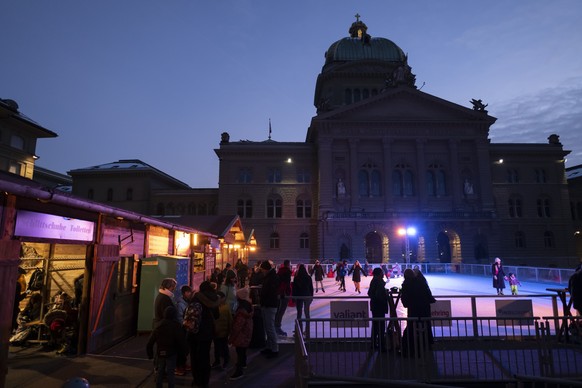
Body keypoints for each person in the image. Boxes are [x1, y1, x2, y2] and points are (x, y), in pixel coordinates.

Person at [187, 281, 220, 388]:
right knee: (205, 356)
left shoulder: (196, 297)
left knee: (195, 356)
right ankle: (205, 380)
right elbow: (217, 315)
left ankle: (197, 379)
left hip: (195, 332)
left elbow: (189, 313)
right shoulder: (215, 298)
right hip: (208, 332)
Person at [146, 305, 187, 388]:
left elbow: (150, 342)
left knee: (159, 372)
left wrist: (150, 355)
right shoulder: (176, 326)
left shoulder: (158, 325)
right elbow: (181, 341)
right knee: (170, 373)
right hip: (172, 352)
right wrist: (183, 354)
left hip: (160, 352)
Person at [401, 268, 436, 354]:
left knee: (412, 326)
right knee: (425, 326)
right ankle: (426, 345)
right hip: (424, 309)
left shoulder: (407, 284)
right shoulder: (421, 282)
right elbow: (428, 294)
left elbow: (405, 301)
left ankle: (411, 347)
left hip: (414, 310)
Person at [229, 287, 254, 380]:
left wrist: (231, 338)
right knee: (242, 352)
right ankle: (243, 364)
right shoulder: (249, 306)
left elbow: (237, 326)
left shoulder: (241, 311)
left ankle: (239, 371)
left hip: (241, 335)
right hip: (246, 333)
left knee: (239, 352)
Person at [259, 260, 280, 358]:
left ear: (266, 269)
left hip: (270, 305)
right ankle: (270, 347)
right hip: (267, 304)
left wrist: (264, 298)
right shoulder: (269, 277)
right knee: (268, 327)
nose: (262, 271)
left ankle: (274, 348)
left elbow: (270, 292)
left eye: (262, 269)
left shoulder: (272, 278)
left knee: (270, 327)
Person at [368, 267, 388, 352]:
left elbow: (370, 293)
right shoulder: (379, 282)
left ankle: (373, 343)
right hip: (379, 307)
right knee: (380, 326)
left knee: (376, 325)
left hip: (375, 306)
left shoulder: (374, 281)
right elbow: (378, 295)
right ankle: (381, 345)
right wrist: (385, 297)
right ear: (379, 274)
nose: (383, 274)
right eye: (382, 272)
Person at [174, 285, 192, 376]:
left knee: (185, 348)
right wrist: (186, 324)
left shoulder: (186, 302)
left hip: (185, 329)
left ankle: (183, 364)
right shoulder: (180, 304)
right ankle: (179, 366)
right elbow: (179, 317)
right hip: (182, 329)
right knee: (181, 348)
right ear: (184, 293)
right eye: (188, 292)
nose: (190, 294)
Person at [211, 291, 232, 370]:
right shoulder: (216, 307)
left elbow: (230, 320)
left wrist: (229, 331)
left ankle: (224, 360)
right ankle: (218, 361)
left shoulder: (225, 308)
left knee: (223, 347)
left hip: (223, 331)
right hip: (216, 331)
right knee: (217, 347)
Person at [292, 264, 314, 336]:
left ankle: (299, 330)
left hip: (299, 297)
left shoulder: (296, 278)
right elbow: (311, 288)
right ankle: (307, 331)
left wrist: (293, 298)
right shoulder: (308, 277)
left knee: (299, 313)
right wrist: (311, 296)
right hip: (307, 296)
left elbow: (294, 289)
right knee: (307, 314)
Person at [274, 260, 292, 336]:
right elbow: (286, 283)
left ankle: (276, 326)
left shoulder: (279, 272)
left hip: (279, 293)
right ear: (288, 264)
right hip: (283, 294)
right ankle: (277, 327)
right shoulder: (287, 272)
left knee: (278, 311)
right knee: (281, 311)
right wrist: (286, 292)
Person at [12, 267, 27, 333]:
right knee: (12, 323)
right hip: (13, 307)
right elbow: (17, 298)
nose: (20, 276)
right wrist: (25, 294)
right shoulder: (17, 285)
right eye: (20, 274)